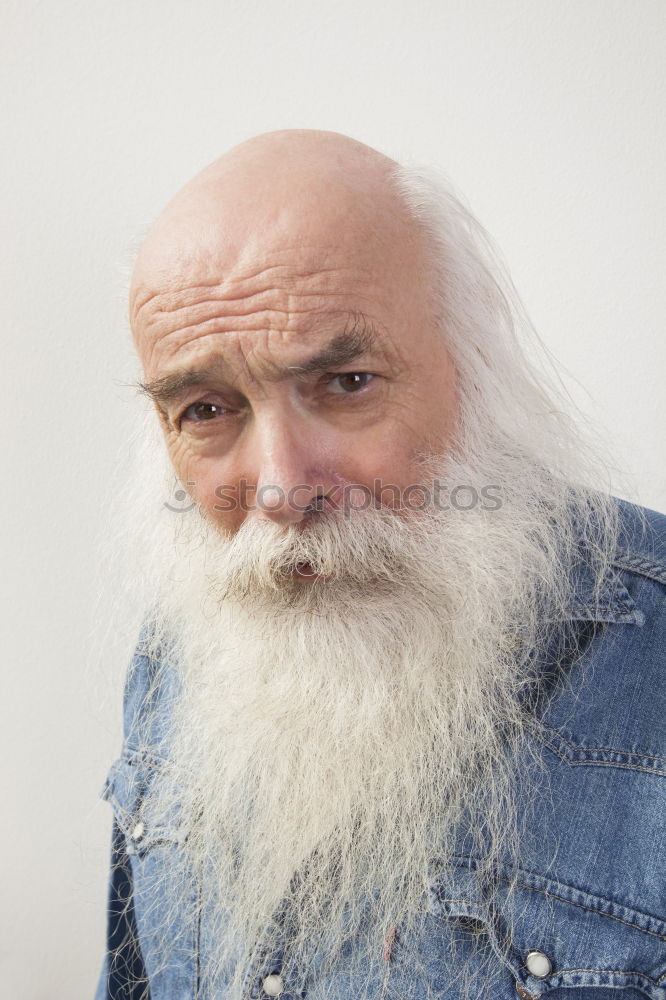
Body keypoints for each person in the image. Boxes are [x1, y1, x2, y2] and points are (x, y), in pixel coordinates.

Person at [94, 129, 666, 1000]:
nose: (283, 490)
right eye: (207, 409)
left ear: (476, 369)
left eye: (348, 383)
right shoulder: (183, 646)